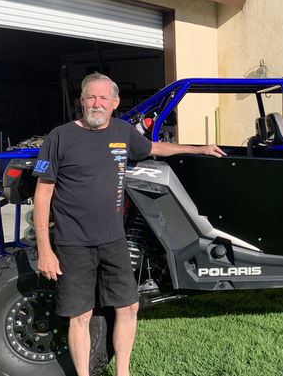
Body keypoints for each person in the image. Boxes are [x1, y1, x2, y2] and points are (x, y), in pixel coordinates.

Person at [32, 72, 225, 376]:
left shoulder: (123, 131)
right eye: (91, 97)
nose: (96, 104)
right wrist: (46, 250)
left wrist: (198, 149)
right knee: (80, 316)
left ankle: (123, 372)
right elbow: (42, 196)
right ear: (82, 101)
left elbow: (153, 148)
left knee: (128, 307)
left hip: (113, 241)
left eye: (103, 98)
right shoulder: (60, 137)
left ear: (115, 102)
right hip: (73, 243)